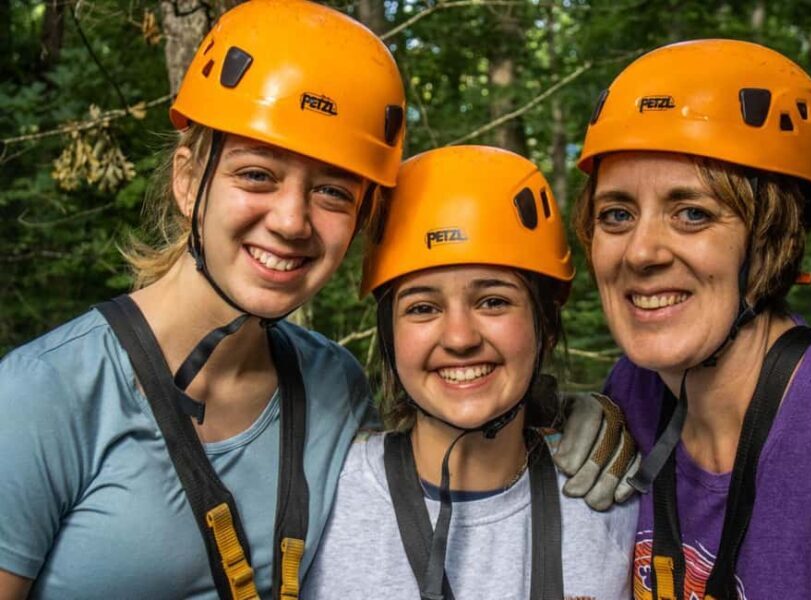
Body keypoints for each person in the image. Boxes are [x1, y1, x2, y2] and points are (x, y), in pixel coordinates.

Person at [0, 1, 406, 597]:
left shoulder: (335, 387)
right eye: (257, 175)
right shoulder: (43, 395)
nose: (292, 221)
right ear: (188, 181)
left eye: (332, 193)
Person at [565, 38, 811, 598]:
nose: (641, 252)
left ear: (773, 239)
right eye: (617, 214)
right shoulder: (633, 395)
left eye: (692, 213)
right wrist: (544, 416)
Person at [303, 145, 639, 599]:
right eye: (423, 308)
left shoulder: (615, 507)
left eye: (493, 301)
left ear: (545, 326)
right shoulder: (321, 502)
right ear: (389, 337)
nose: (460, 338)